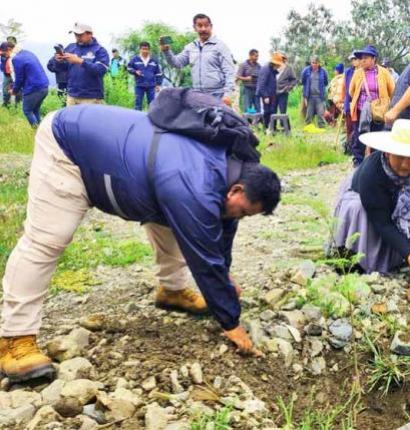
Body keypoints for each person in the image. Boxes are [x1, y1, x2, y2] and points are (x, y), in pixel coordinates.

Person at [0, 103, 282, 382]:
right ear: (237, 189)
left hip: (138, 167)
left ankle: (171, 291)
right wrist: (231, 322)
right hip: (70, 146)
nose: (239, 217)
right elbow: (205, 257)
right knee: (47, 240)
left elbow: (223, 227)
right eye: (243, 211)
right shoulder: (193, 184)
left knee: (173, 224)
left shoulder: (229, 171)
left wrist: (226, 273)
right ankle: (14, 339)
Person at [331, 119, 410, 275]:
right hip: (366, 205)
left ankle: (400, 257)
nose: (405, 164)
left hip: (397, 206)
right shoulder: (371, 173)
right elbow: (382, 222)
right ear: (387, 152)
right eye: (400, 157)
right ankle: (361, 263)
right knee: (358, 208)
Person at [161, 13, 236, 106]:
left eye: (206, 25)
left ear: (211, 26)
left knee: (215, 120)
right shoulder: (191, 47)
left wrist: (228, 95)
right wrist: (166, 51)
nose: (203, 29)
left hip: (217, 95)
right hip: (198, 95)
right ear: (195, 28)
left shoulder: (220, 47)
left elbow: (229, 71)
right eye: (200, 26)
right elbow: (177, 63)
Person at [348, 45, 396, 166]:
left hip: (378, 111)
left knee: (377, 135)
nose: (362, 60)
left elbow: (393, 91)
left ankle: (376, 162)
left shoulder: (384, 73)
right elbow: (351, 91)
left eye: (366, 58)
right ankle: (358, 161)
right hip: (360, 110)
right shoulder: (358, 73)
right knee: (359, 135)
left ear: (373, 59)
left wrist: (382, 103)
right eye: (361, 58)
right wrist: (364, 103)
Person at [51, 22, 109, 106]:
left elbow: (101, 70)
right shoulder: (71, 47)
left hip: (91, 97)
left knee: (89, 119)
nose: (77, 37)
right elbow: (61, 69)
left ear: (90, 34)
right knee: (70, 119)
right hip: (72, 96)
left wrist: (80, 61)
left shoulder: (100, 50)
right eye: (75, 35)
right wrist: (58, 61)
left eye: (80, 35)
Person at [4, 43, 48, 126]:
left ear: (9, 49)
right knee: (35, 110)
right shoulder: (27, 53)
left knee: (27, 110)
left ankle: (36, 131)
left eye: (4, 54)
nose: (5, 56)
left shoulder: (16, 59)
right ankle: (41, 130)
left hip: (34, 88)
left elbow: (19, 78)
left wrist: (14, 91)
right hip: (44, 86)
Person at [126, 41, 163, 111]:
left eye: (146, 49)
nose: (145, 51)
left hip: (151, 86)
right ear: (140, 49)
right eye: (143, 49)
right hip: (139, 85)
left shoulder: (154, 61)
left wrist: (158, 84)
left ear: (149, 50)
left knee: (152, 104)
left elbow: (158, 73)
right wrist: (135, 72)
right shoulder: (135, 59)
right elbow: (128, 68)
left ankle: (151, 120)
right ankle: (137, 119)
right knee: (138, 104)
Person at [301, 56, 329, 128]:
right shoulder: (306, 70)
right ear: (311, 63)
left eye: (316, 63)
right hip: (309, 96)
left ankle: (322, 127)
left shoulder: (323, 71)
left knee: (320, 113)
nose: (314, 64)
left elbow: (326, 82)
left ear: (319, 63)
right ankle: (308, 127)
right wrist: (305, 96)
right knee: (309, 114)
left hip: (319, 96)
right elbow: (303, 82)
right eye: (313, 63)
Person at [257, 52, 282, 128]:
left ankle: (272, 128)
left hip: (272, 94)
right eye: (278, 65)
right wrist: (265, 96)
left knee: (272, 111)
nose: (279, 66)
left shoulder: (272, 69)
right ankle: (265, 128)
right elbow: (261, 84)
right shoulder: (266, 69)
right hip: (266, 95)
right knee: (267, 112)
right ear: (274, 63)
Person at [342, 53, 360, 153]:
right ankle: (349, 147)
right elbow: (345, 88)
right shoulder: (348, 72)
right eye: (352, 59)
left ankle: (356, 147)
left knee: (357, 127)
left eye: (355, 59)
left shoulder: (363, 71)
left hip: (359, 104)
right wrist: (343, 103)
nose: (354, 61)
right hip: (349, 103)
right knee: (349, 127)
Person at [236, 49, 261, 114]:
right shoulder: (243, 65)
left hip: (256, 89)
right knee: (247, 107)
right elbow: (237, 76)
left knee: (258, 107)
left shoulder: (259, 66)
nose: (257, 58)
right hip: (247, 89)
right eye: (255, 56)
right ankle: (247, 122)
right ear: (250, 55)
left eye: (257, 56)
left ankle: (257, 122)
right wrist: (246, 78)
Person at [1, 40, 19, 107]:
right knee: (5, 90)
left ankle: (18, 105)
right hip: (7, 74)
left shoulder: (14, 55)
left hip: (15, 74)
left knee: (18, 90)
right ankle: (6, 105)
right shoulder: (3, 53)